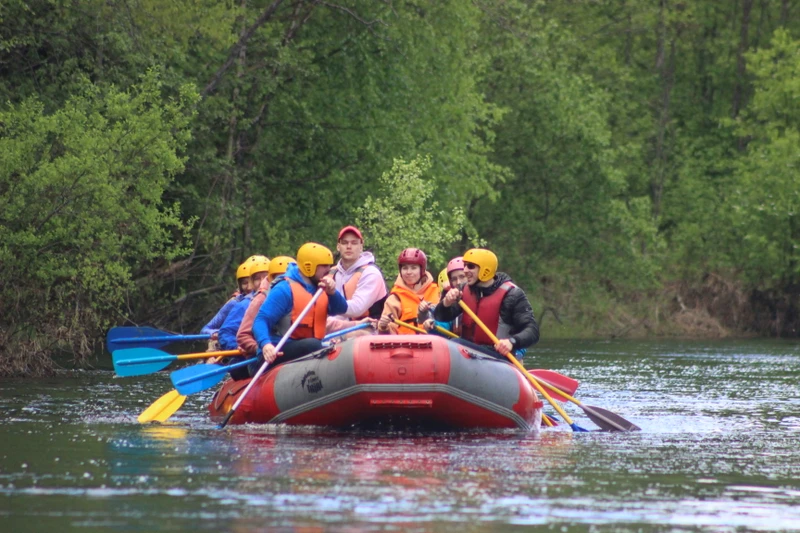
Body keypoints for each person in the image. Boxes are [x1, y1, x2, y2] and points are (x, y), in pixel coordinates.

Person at [252, 243, 347, 372]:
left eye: (329, 265)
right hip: (277, 350)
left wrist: (332, 292)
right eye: (324, 266)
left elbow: (342, 309)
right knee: (313, 345)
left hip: (308, 348)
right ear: (309, 267)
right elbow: (260, 320)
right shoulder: (284, 289)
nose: (328, 269)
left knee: (324, 344)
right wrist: (266, 345)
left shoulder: (322, 287)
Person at [433, 248, 539, 360]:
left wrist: (512, 342)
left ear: (485, 270)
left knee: (456, 343)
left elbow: (532, 331)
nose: (465, 270)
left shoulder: (512, 295)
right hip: (470, 353)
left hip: (498, 357)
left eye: (470, 266)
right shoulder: (464, 289)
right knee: (452, 344)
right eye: (465, 266)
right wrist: (446, 303)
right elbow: (441, 317)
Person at [236, 256, 296, 357]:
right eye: (257, 279)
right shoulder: (260, 299)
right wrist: (260, 347)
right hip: (267, 351)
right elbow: (243, 335)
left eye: (264, 276)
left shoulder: (301, 293)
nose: (261, 281)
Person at [329, 225, 388, 322]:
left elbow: (356, 309)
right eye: (344, 243)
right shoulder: (331, 273)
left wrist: (332, 294)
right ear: (338, 247)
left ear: (361, 247)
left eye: (354, 243)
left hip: (367, 328)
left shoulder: (371, 273)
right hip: (334, 327)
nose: (349, 247)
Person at [377, 248, 439, 335]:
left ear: (422, 270)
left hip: (434, 341)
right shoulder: (394, 299)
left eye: (413, 268)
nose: (409, 272)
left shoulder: (437, 292)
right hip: (406, 342)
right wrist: (383, 327)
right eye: (405, 268)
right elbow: (388, 334)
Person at [200, 258, 257, 350]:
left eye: (252, 282)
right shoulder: (234, 303)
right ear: (240, 285)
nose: (249, 287)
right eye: (245, 283)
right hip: (233, 345)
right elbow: (205, 329)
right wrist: (215, 333)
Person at [423, 256, 466, 336]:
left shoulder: (480, 296)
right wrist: (434, 325)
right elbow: (445, 323)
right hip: (459, 342)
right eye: (454, 279)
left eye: (462, 277)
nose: (458, 282)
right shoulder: (453, 302)